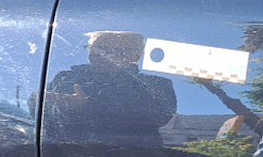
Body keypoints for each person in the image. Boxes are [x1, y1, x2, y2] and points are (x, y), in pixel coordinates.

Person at [43, 31, 176, 147]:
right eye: (93, 48)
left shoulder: (156, 85)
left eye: (106, 49)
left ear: (135, 55)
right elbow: (40, 114)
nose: (97, 54)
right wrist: (57, 106)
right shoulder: (66, 78)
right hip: (65, 155)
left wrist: (88, 105)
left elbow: (158, 117)